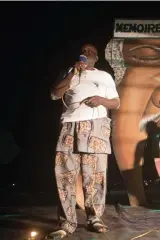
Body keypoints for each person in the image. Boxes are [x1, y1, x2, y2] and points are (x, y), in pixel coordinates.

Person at [46, 44, 120, 239]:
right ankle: (66, 222)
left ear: (96, 56)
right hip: (70, 126)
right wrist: (73, 74)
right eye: (83, 50)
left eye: (90, 51)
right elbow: (54, 94)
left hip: (96, 126)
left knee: (94, 176)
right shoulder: (68, 72)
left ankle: (94, 217)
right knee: (65, 175)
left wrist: (100, 100)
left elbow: (116, 102)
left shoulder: (104, 76)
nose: (87, 52)